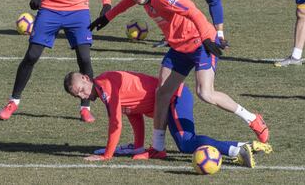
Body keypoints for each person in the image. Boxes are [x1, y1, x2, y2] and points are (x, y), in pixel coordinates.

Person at [89, 0, 269, 158]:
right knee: (162, 93)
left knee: (205, 93)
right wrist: (108, 17)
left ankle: (253, 119)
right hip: (179, 47)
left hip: (200, 42)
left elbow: (193, 12)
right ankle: (158, 148)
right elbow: (127, 3)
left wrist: (208, 38)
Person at [64, 70, 272, 167]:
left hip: (176, 97)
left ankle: (237, 149)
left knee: (186, 142)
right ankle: (244, 145)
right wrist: (138, 147)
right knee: (185, 142)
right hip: (170, 102)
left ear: (86, 78)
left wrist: (106, 155)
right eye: (78, 96)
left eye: (82, 90)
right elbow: (134, 114)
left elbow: (116, 124)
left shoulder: (105, 87)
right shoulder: (102, 89)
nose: (83, 96)